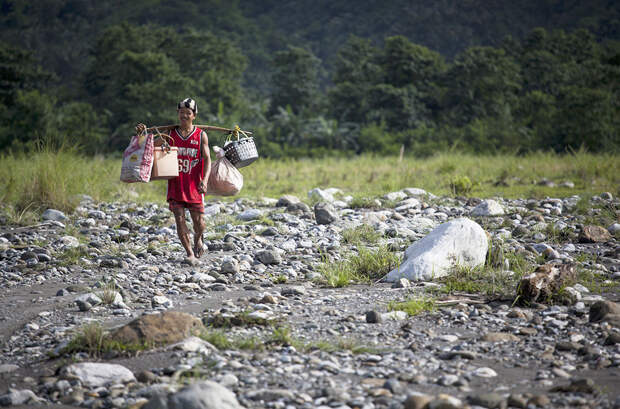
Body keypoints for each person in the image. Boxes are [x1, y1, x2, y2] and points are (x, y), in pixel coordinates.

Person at [136, 98, 211, 265]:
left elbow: (208, 160)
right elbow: (146, 147)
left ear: (194, 115)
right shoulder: (169, 134)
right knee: (179, 218)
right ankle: (189, 253)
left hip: (194, 185)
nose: (184, 116)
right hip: (176, 185)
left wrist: (205, 180)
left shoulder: (201, 136)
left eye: (188, 113)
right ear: (177, 114)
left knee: (200, 223)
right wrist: (142, 135)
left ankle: (198, 239)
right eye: (181, 112)